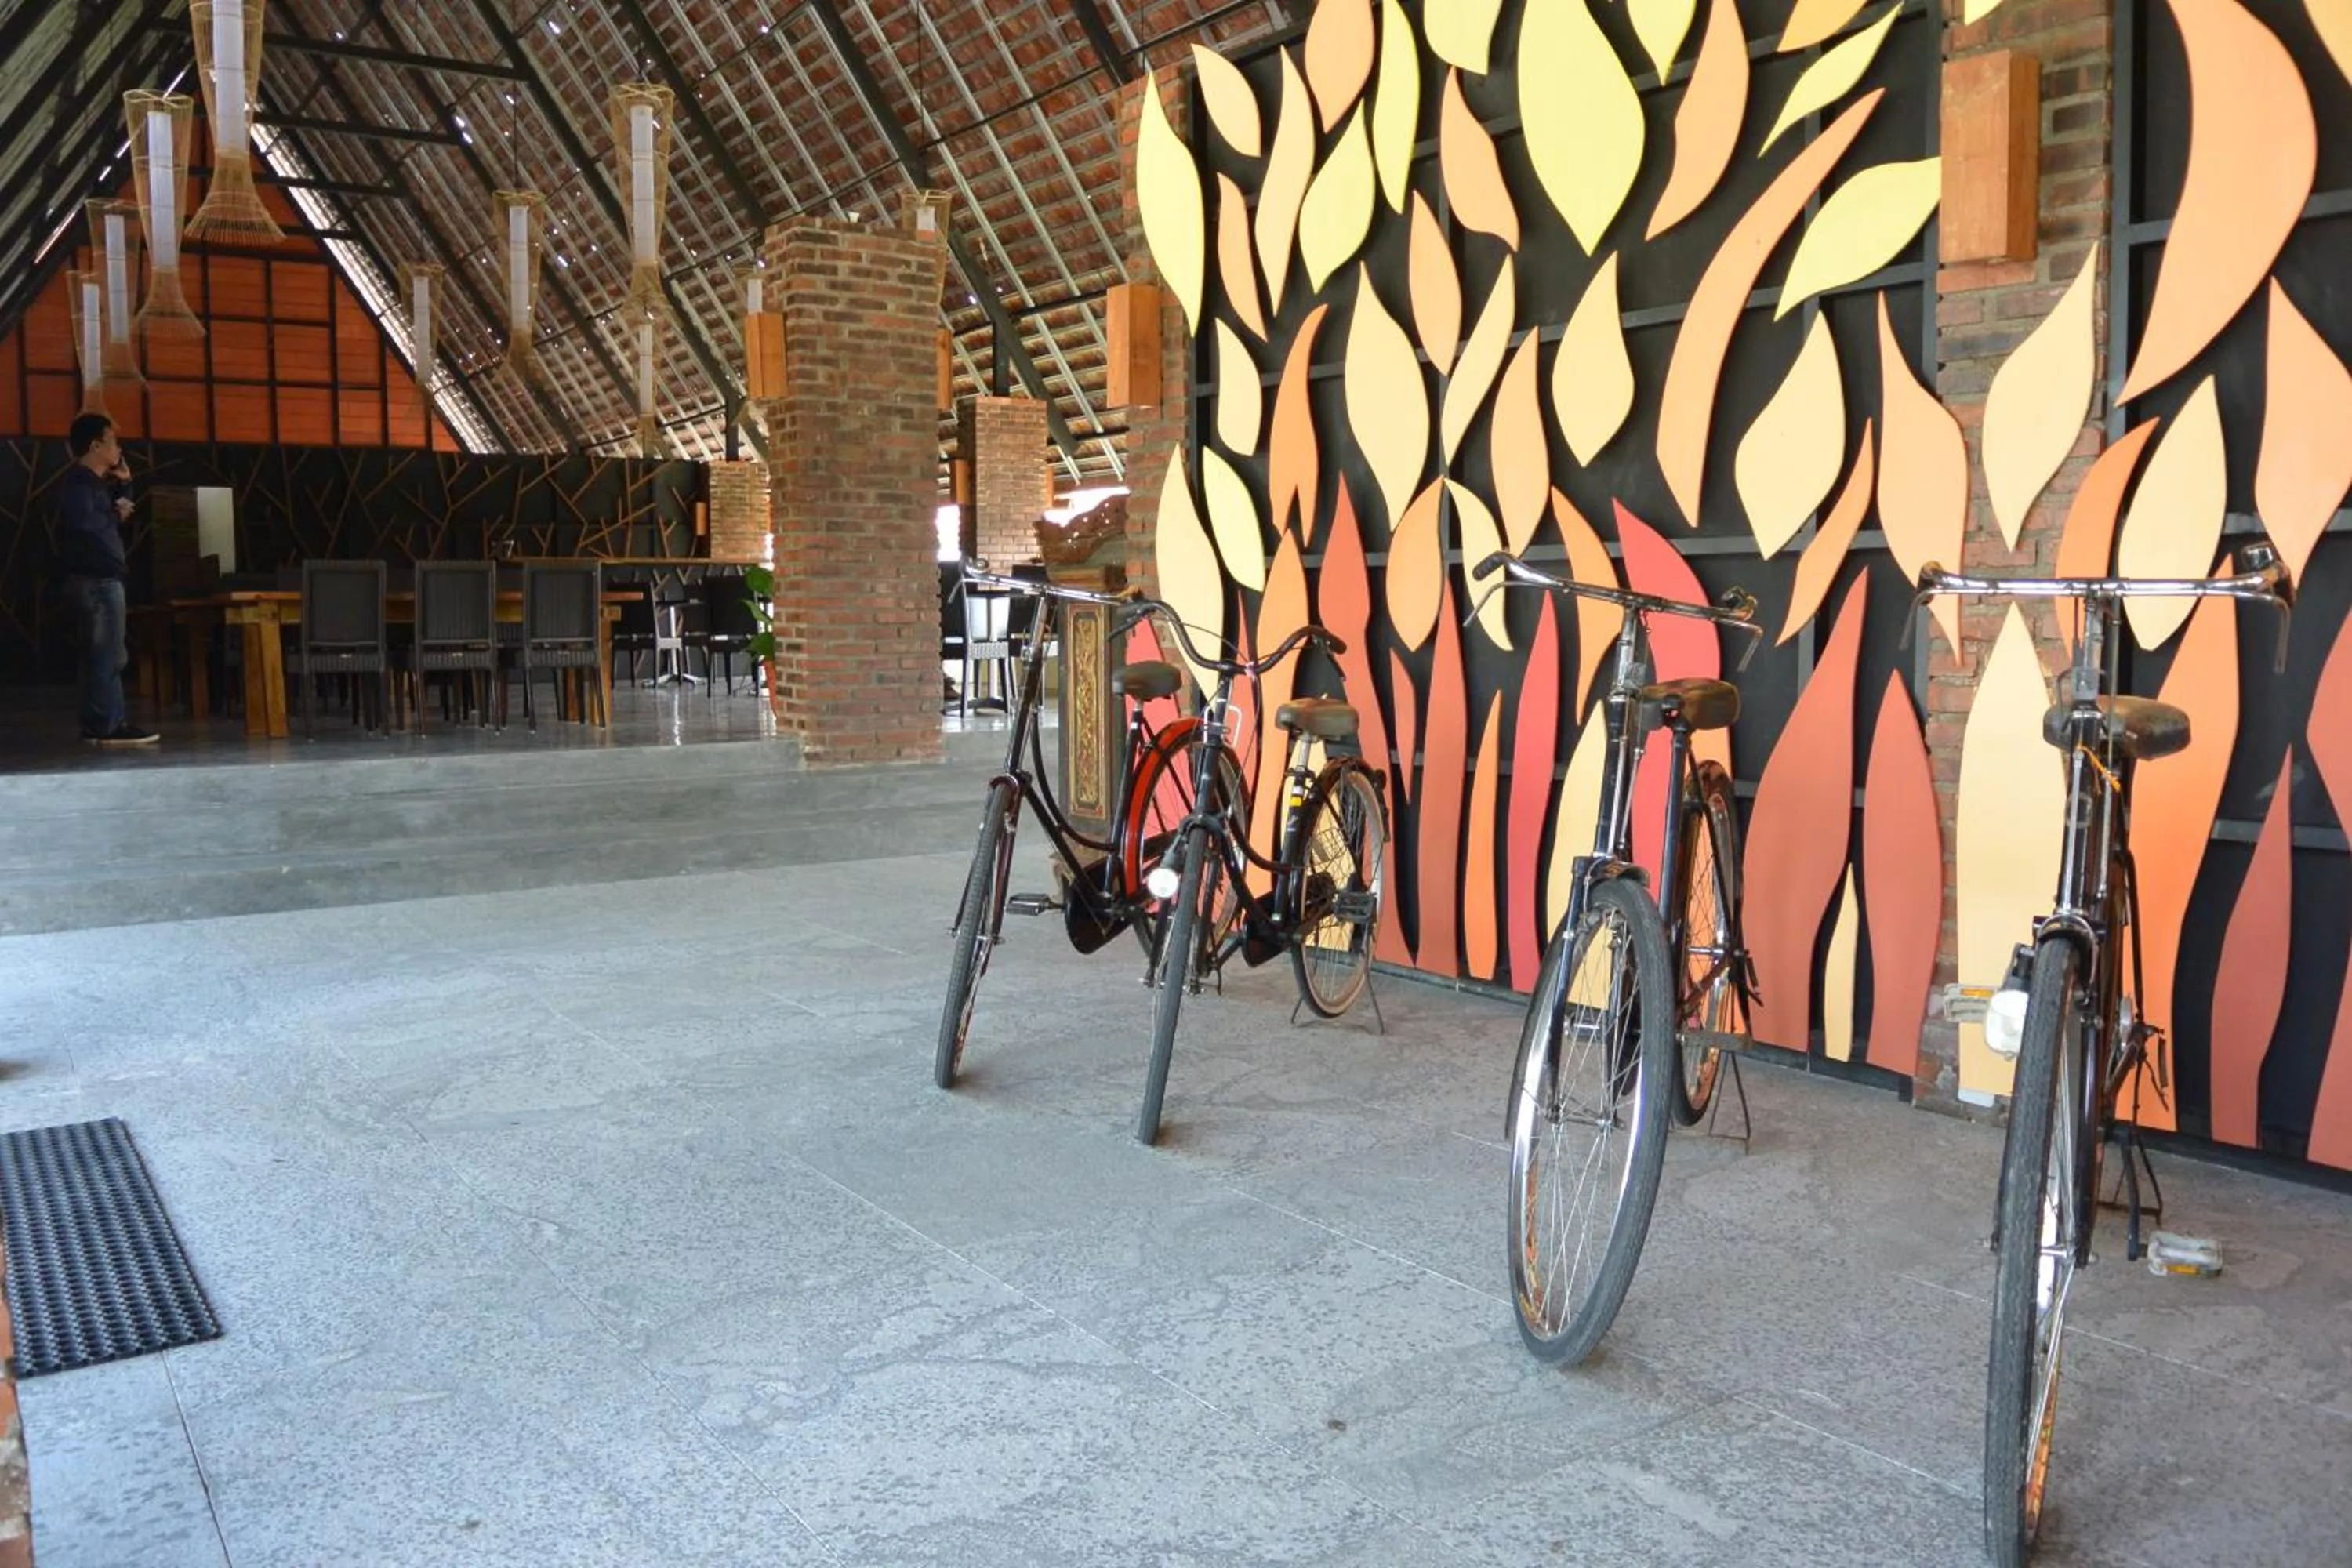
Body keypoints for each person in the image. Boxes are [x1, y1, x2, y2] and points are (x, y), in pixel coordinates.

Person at [56, 412, 158, 746]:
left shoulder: (95, 485)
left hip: (99, 580)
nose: (119, 448)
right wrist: (114, 515)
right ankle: (108, 724)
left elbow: (117, 517)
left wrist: (125, 486)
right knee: (108, 655)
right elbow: (88, 526)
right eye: (113, 441)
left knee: (100, 654)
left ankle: (98, 722)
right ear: (96, 445)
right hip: (97, 581)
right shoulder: (80, 483)